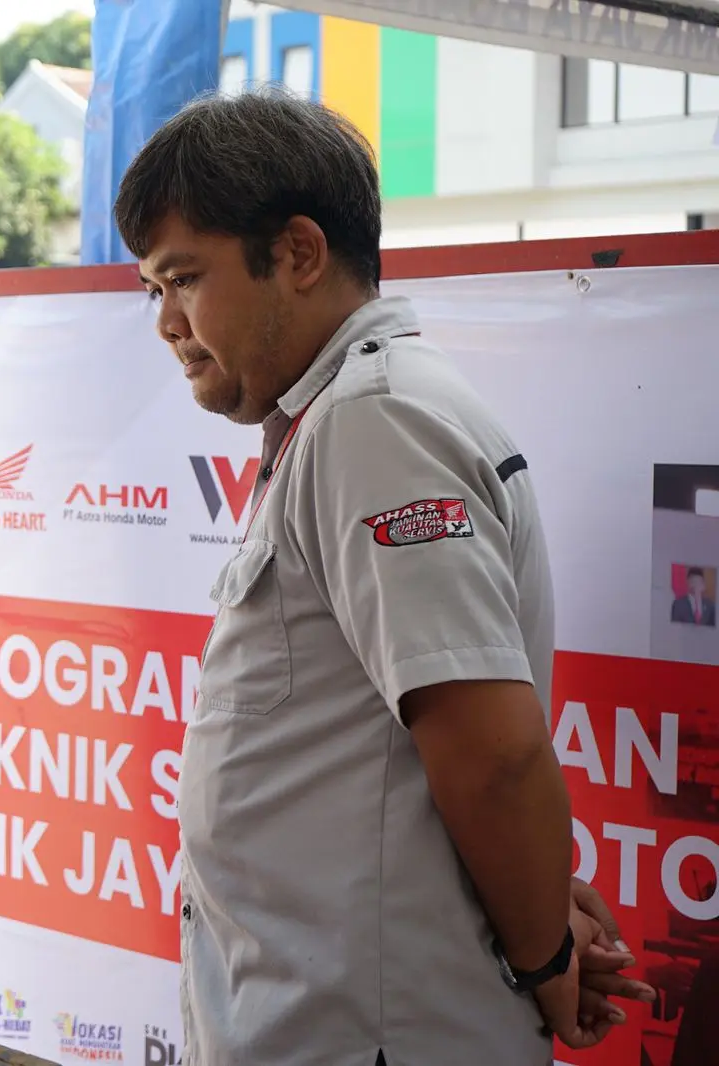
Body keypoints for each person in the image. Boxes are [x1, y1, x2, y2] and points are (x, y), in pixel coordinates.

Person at [115, 87, 652, 1066]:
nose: (165, 320)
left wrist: (541, 962)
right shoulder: (337, 419)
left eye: (183, 278)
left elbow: (491, 756)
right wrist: (535, 919)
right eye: (152, 288)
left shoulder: (373, 422)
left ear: (299, 253)